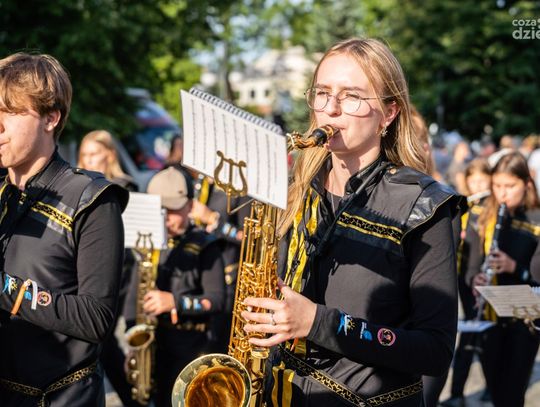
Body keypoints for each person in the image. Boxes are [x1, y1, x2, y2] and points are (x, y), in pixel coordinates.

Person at [241, 38, 465, 407]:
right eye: (323, 93)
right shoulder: (293, 191)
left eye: (351, 97)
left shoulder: (424, 205)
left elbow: (435, 351)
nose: (330, 109)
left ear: (389, 113)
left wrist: (317, 322)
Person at [0, 53, 128, 406]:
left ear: (51, 117)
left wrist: (6, 289)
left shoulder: (92, 198)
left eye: (10, 112)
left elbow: (96, 318)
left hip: (60, 398)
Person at [124, 166, 225, 406]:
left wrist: (175, 302)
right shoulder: (147, 245)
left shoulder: (206, 245)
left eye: (173, 210)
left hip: (192, 350)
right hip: (157, 349)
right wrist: (133, 342)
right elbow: (132, 298)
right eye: (160, 210)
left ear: (190, 206)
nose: (166, 217)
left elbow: (218, 300)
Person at [466, 152, 540, 407]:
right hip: (490, 317)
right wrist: (475, 279)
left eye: (509, 186)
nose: (502, 194)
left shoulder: (536, 218)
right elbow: (471, 266)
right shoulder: (483, 213)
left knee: (513, 394)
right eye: (497, 186)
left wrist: (513, 267)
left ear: (526, 183)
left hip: (525, 319)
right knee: (496, 391)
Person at [78, 129, 140, 406]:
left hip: (124, 269)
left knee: (104, 339)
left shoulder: (126, 187)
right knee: (101, 342)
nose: (88, 160)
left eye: (94, 154)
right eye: (84, 155)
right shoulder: (81, 187)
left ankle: (132, 395)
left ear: (110, 155)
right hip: (93, 268)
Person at [440, 158, 492, 407]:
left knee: (479, 337)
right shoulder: (465, 204)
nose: (479, 185)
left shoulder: (493, 208)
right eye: (475, 180)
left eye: (483, 180)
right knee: (473, 336)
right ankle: (459, 392)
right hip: (463, 277)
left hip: (482, 279)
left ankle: (472, 390)